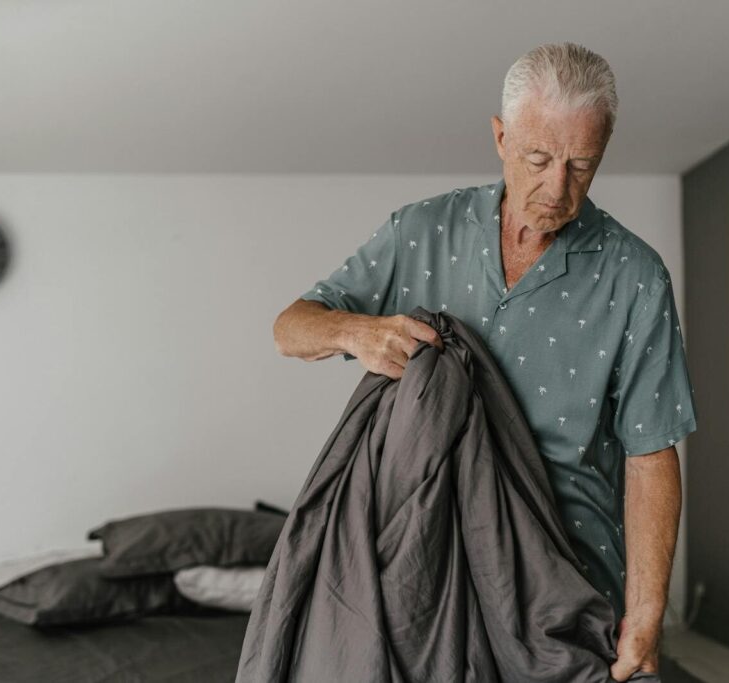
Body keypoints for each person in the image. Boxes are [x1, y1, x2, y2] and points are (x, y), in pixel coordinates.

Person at [272, 42, 697, 682]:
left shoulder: (635, 276)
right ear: (500, 138)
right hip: (420, 579)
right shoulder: (420, 231)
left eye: (583, 165)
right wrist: (357, 331)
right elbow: (290, 328)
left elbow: (651, 454)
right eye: (539, 158)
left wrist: (645, 616)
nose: (558, 188)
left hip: (566, 585)